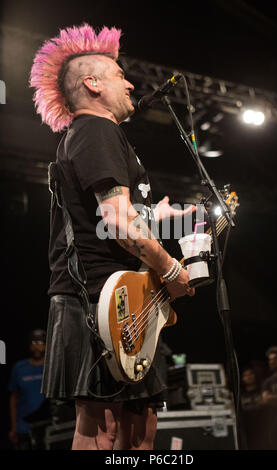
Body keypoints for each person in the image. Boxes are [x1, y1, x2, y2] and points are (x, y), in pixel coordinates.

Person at [30, 23, 195, 450]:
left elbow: (112, 220)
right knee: (104, 429)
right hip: (97, 296)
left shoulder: (100, 136)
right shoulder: (95, 130)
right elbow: (118, 224)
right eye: (121, 75)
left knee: (139, 429)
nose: (131, 83)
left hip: (128, 295)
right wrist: (172, 267)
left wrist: (158, 218)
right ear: (93, 83)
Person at [8, 329, 46, 450]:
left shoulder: (51, 368)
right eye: (33, 343)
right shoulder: (19, 368)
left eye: (40, 343)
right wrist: (14, 427)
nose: (37, 347)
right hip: (24, 428)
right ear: (29, 346)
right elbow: (13, 399)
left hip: (47, 426)